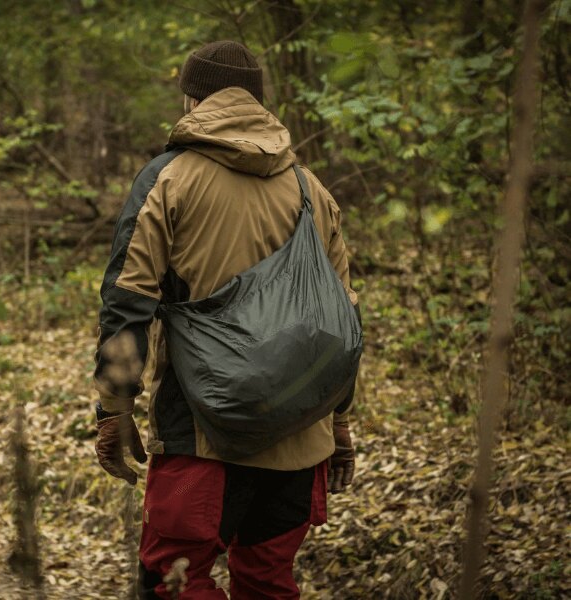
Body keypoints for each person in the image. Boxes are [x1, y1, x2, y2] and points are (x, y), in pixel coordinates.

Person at [93, 40, 359, 599]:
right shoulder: (314, 191)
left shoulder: (167, 180)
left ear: (192, 100)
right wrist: (338, 422)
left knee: (173, 579)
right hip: (299, 436)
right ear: (257, 104)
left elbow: (128, 302)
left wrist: (114, 409)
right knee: (267, 581)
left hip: (202, 433)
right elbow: (341, 321)